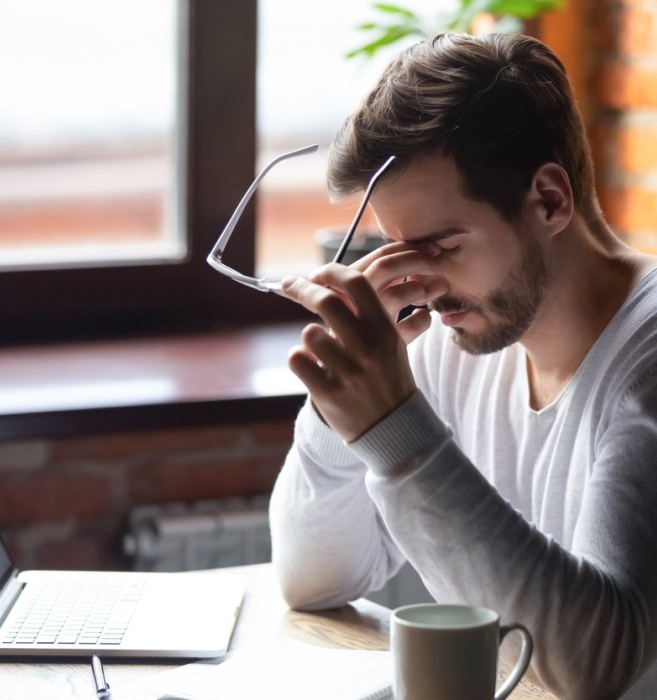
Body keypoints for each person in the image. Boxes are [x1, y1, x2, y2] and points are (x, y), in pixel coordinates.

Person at [268, 32, 657, 699]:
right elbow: (315, 580)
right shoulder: (452, 338)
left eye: (441, 246)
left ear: (549, 200)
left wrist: (397, 433)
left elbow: (597, 667)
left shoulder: (644, 368)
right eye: (396, 248)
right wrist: (340, 407)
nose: (418, 282)